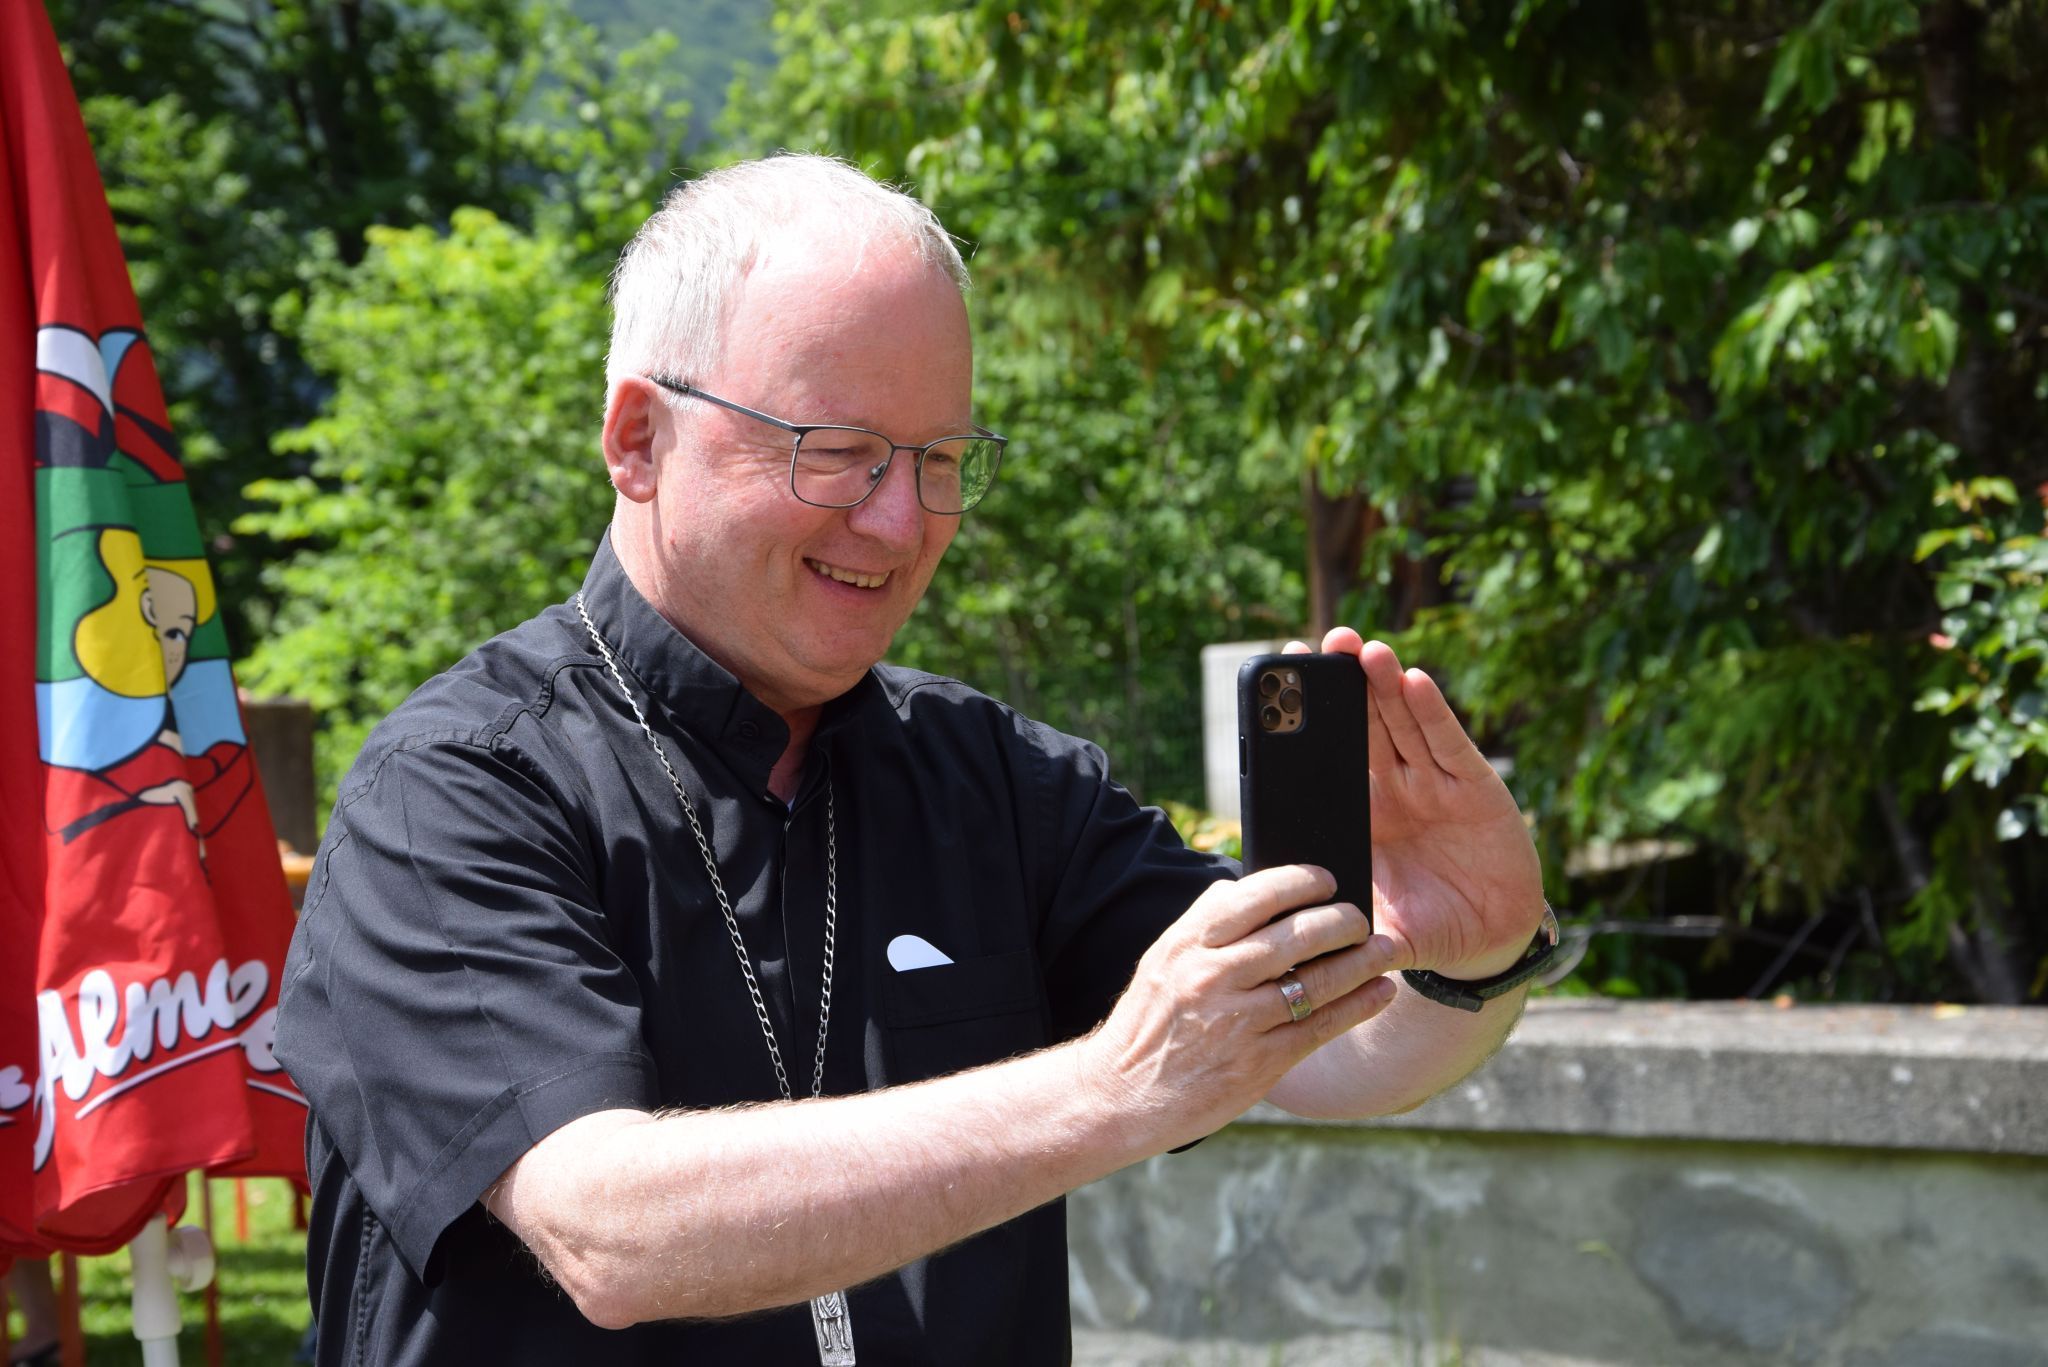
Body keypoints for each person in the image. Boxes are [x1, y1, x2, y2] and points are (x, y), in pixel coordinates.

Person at [273, 153, 1549, 1366]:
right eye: (837, 449)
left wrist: (1475, 954)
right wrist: (1114, 1085)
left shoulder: (998, 779)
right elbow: (605, 1225)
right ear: (637, 439)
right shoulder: (452, 789)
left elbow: (1319, 1051)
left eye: (940, 461)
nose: (899, 521)